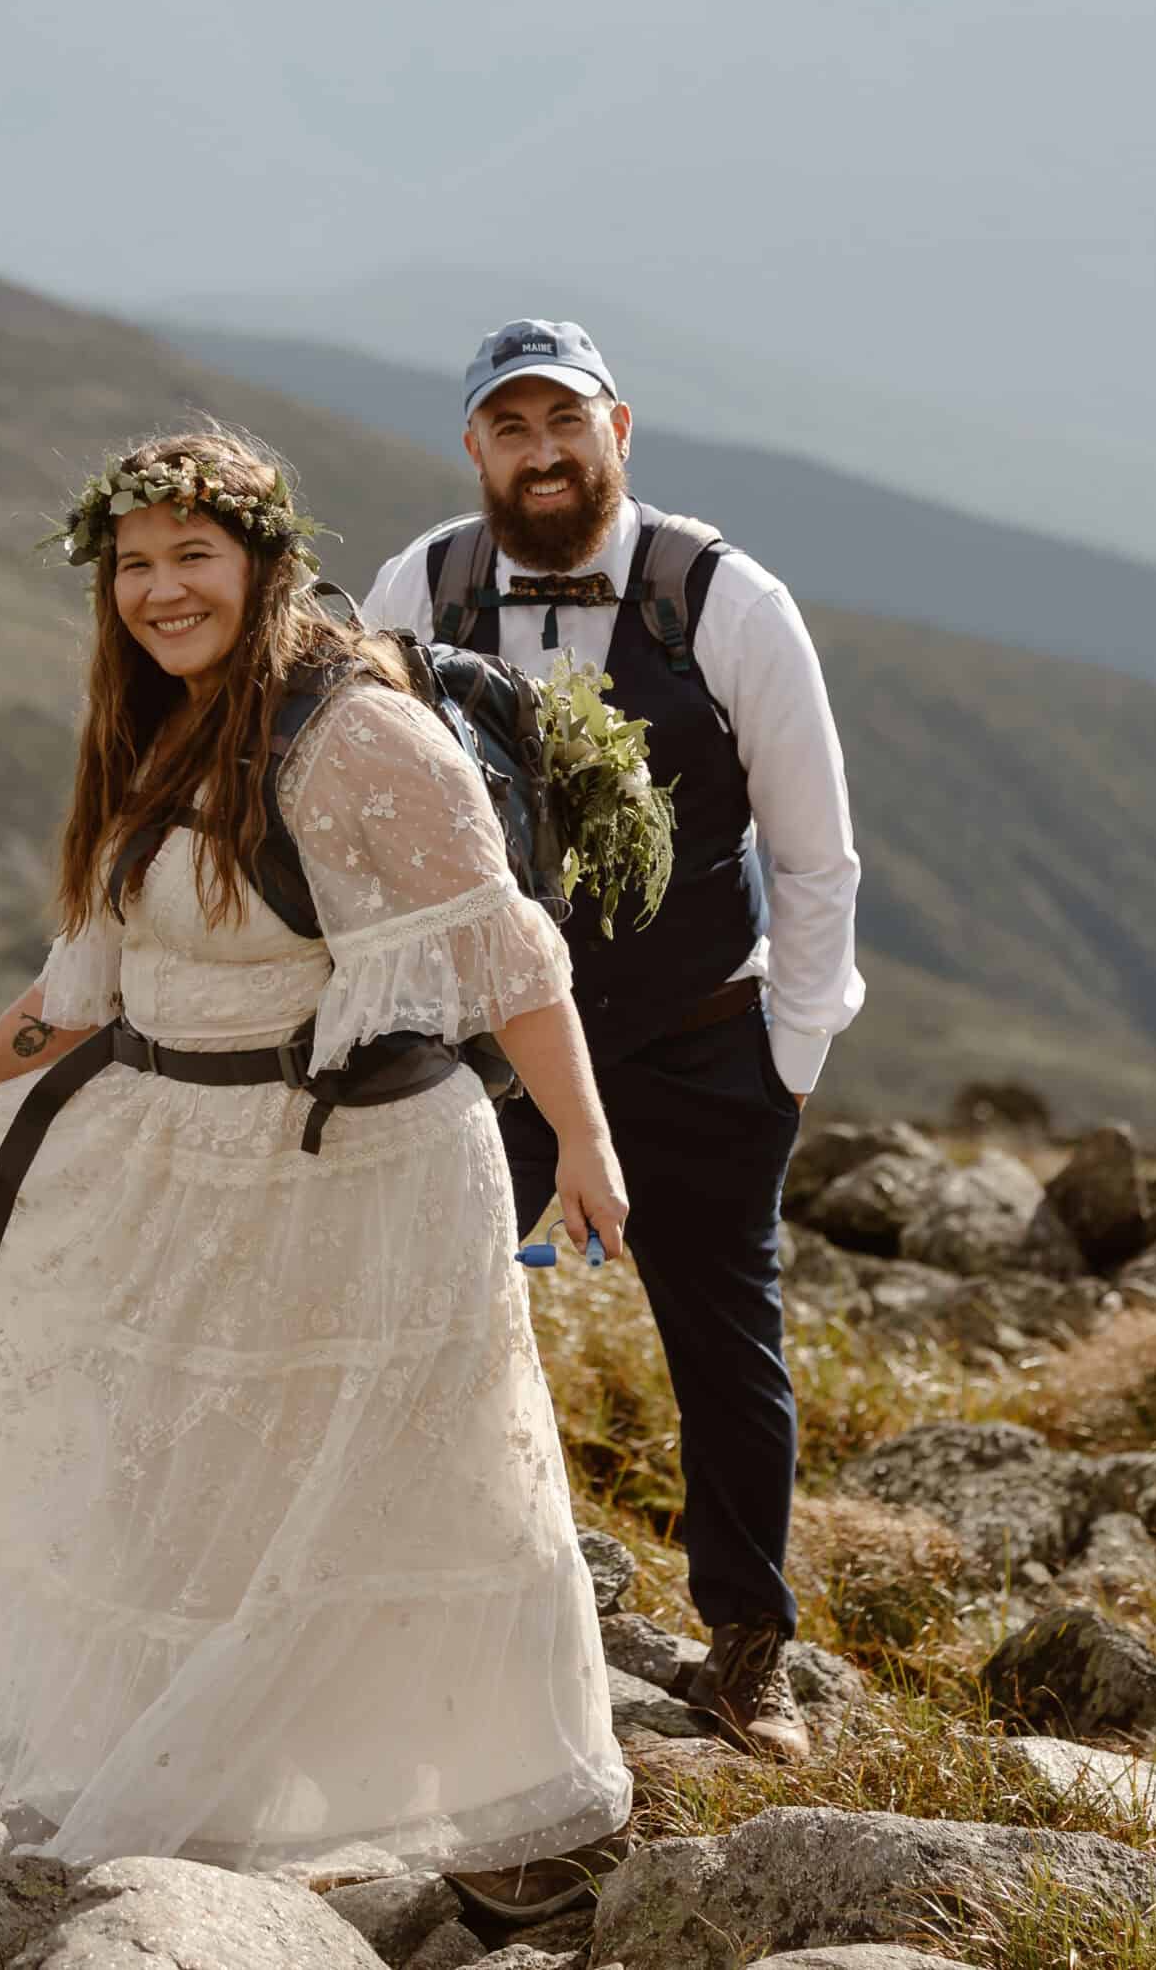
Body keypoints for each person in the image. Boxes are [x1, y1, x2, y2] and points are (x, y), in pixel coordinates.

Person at [0, 426, 638, 1902]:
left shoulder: (357, 733)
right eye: (136, 567)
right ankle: (182, 1787)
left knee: (379, 1489)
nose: (161, 592)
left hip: (362, 1177)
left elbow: (506, 957)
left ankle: (471, 1808)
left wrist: (588, 1149)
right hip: (191, 1163)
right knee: (185, 1485)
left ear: (264, 563)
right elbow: (98, 960)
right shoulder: (165, 720)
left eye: (192, 559)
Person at [358, 318, 864, 1756]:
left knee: (724, 1347)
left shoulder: (721, 597)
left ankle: (749, 1654)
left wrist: (794, 1055)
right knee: (433, 1317)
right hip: (495, 1042)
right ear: (475, 448)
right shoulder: (425, 585)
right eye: (509, 428)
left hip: (707, 1041)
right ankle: (416, 1619)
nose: (540, 453)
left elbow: (815, 852)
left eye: (563, 423)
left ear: (618, 431)